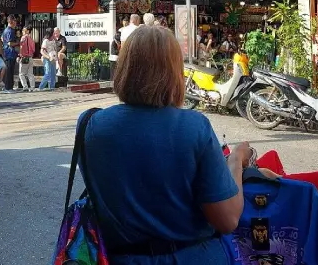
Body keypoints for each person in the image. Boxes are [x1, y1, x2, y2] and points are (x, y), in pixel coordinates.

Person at [79, 25, 250, 264]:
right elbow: (227, 219)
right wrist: (235, 161)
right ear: (173, 72)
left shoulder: (90, 125)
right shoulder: (194, 127)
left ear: (125, 68)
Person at [0, 15, 19, 93]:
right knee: (9, 71)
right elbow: (10, 43)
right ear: (12, 21)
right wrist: (18, 43)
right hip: (10, 53)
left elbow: (2, 38)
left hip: (7, 52)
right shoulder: (10, 31)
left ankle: (8, 87)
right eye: (15, 21)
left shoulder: (5, 30)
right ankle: (8, 88)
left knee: (9, 70)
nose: (16, 23)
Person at [18, 26, 35, 92]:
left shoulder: (23, 38)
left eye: (24, 30)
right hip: (30, 57)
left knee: (21, 74)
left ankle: (25, 87)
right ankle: (32, 87)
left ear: (27, 31)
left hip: (24, 57)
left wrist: (20, 55)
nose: (22, 31)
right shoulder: (31, 39)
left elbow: (21, 47)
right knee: (30, 73)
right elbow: (33, 50)